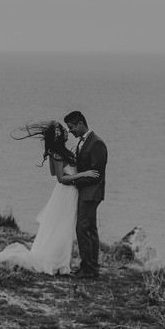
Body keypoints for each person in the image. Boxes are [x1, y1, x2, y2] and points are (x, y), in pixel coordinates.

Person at [0, 121, 100, 275]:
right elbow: (60, 178)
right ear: (59, 136)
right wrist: (83, 174)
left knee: (62, 227)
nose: (67, 132)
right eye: (64, 130)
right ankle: (56, 262)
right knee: (61, 228)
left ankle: (61, 261)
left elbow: (53, 172)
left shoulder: (57, 152)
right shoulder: (58, 153)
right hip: (66, 193)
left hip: (67, 193)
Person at [63, 110, 107, 279]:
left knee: (82, 229)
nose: (70, 131)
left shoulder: (96, 143)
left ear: (80, 124)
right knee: (90, 229)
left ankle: (88, 268)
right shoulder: (84, 142)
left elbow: (96, 174)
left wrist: (73, 181)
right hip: (87, 192)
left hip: (91, 193)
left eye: (72, 127)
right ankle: (91, 267)